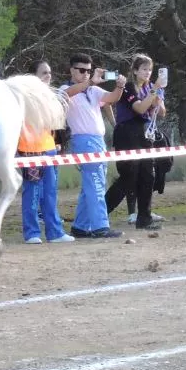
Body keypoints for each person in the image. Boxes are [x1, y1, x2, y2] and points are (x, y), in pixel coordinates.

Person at [60, 53, 125, 238]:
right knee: (95, 183)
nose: (86, 74)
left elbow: (112, 98)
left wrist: (119, 86)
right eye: (82, 70)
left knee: (92, 184)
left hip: (98, 141)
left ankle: (80, 226)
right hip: (83, 140)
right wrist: (90, 83)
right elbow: (66, 94)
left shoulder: (94, 90)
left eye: (89, 71)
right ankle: (100, 226)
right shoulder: (66, 88)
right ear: (72, 70)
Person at [104, 54, 165, 232]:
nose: (147, 73)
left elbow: (161, 113)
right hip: (128, 133)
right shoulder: (129, 88)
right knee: (128, 177)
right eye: (144, 69)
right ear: (136, 70)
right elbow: (139, 108)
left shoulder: (149, 88)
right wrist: (154, 91)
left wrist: (158, 98)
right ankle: (101, 213)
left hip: (145, 132)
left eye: (150, 70)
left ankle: (144, 217)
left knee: (148, 174)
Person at [19, 61, 75, 244]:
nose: (48, 76)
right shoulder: (25, 96)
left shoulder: (51, 96)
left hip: (49, 148)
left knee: (50, 192)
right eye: (43, 73)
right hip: (30, 150)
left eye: (49, 72)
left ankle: (55, 232)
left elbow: (55, 123)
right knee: (33, 193)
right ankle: (32, 232)